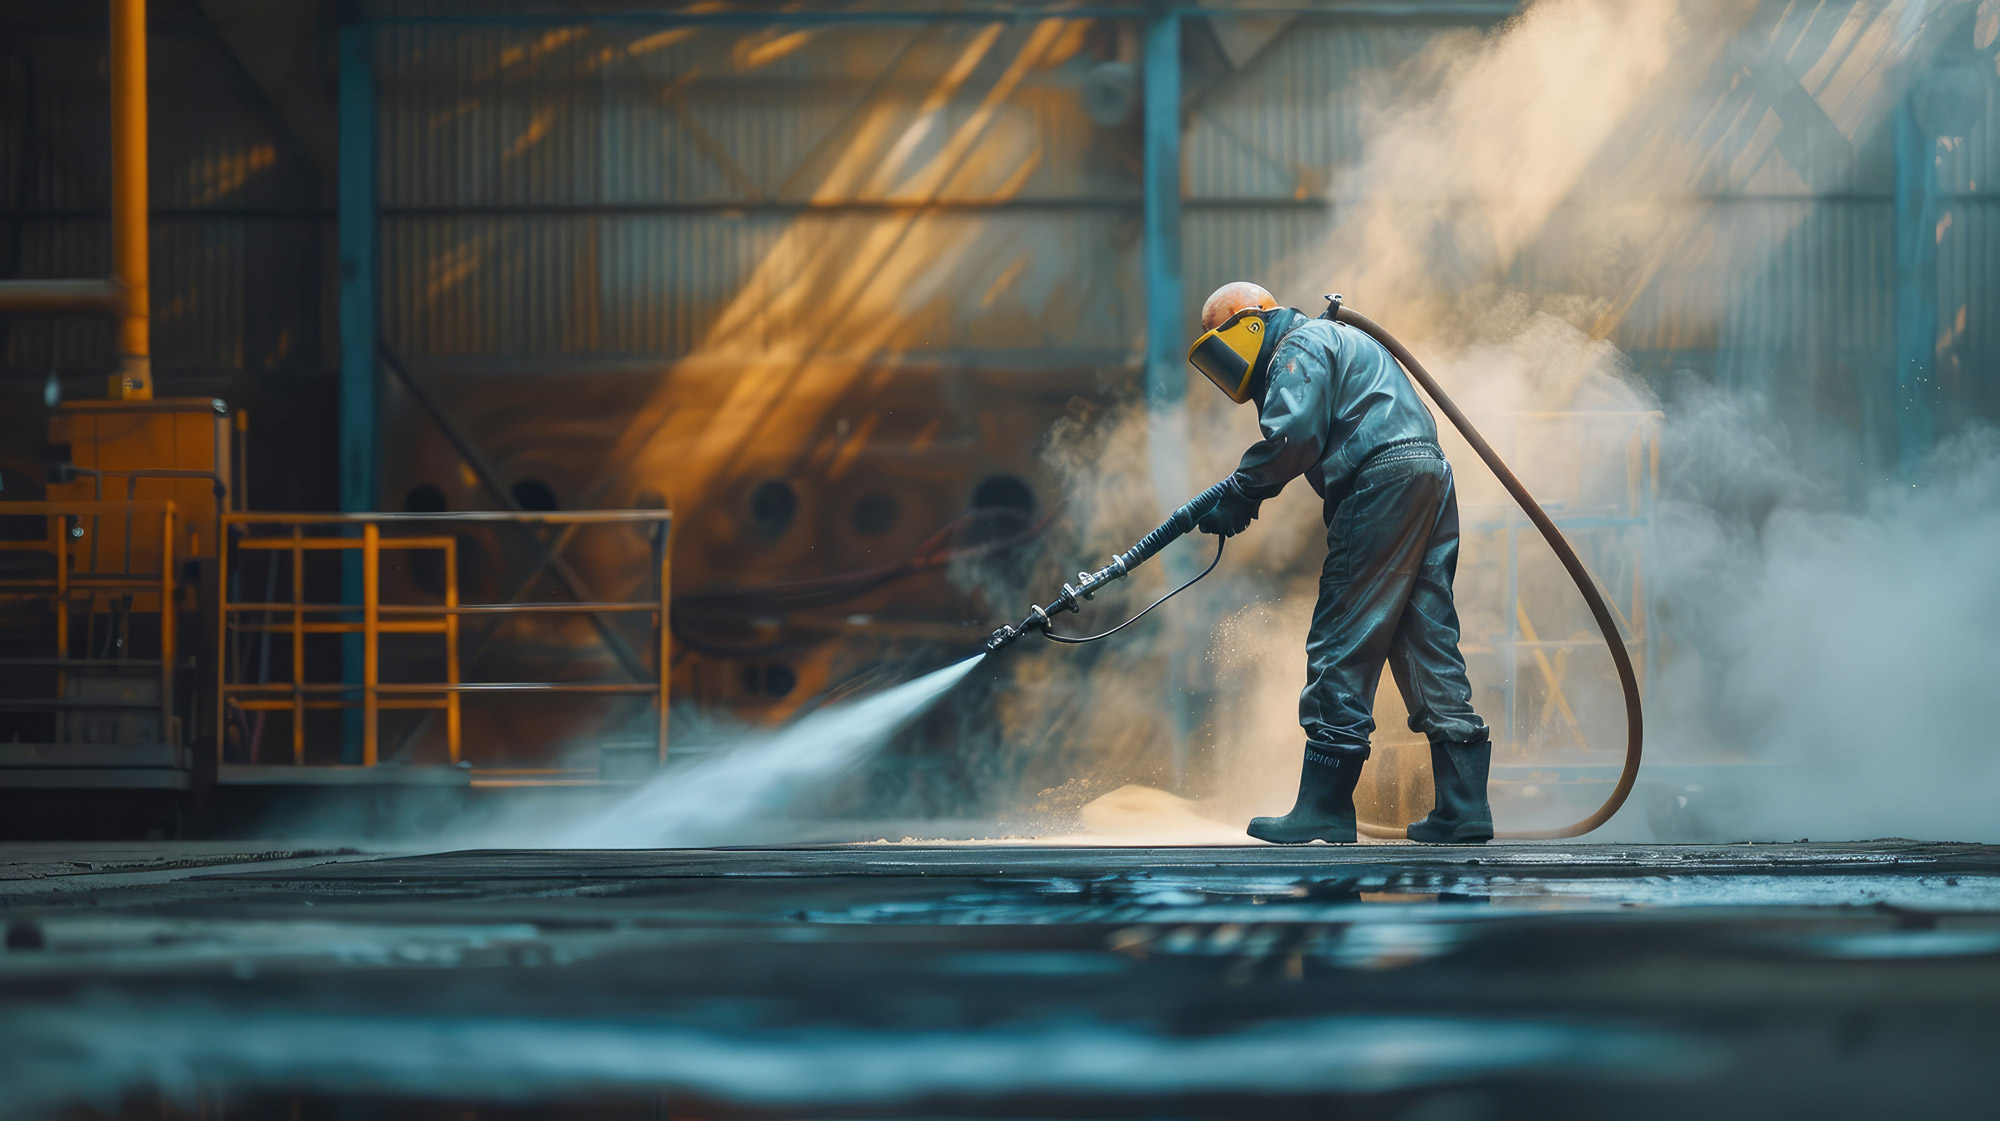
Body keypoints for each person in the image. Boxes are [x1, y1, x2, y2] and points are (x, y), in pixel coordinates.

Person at [1184, 281, 1492, 845]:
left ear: (1249, 323)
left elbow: (1294, 437)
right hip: (1426, 473)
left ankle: (1323, 806)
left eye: (1220, 340)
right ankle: (1464, 806)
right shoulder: (1337, 339)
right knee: (1425, 636)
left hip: (1379, 478)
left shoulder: (1297, 346)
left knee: (1343, 632)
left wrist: (1242, 493)